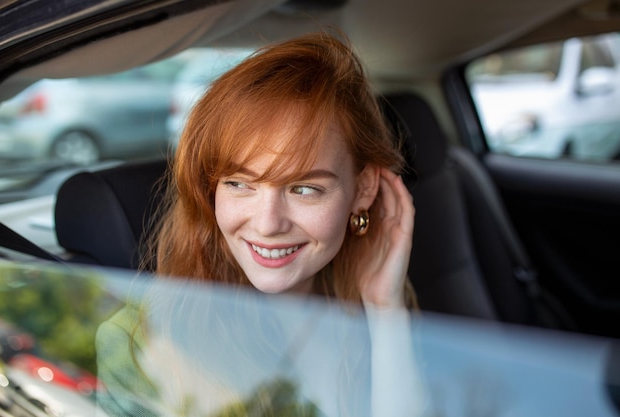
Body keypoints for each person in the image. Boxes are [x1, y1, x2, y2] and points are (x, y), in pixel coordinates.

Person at [96, 30, 426, 417]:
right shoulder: (139, 339)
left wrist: (387, 312)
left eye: (305, 188)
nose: (268, 224)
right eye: (239, 184)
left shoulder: (375, 307)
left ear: (363, 188)